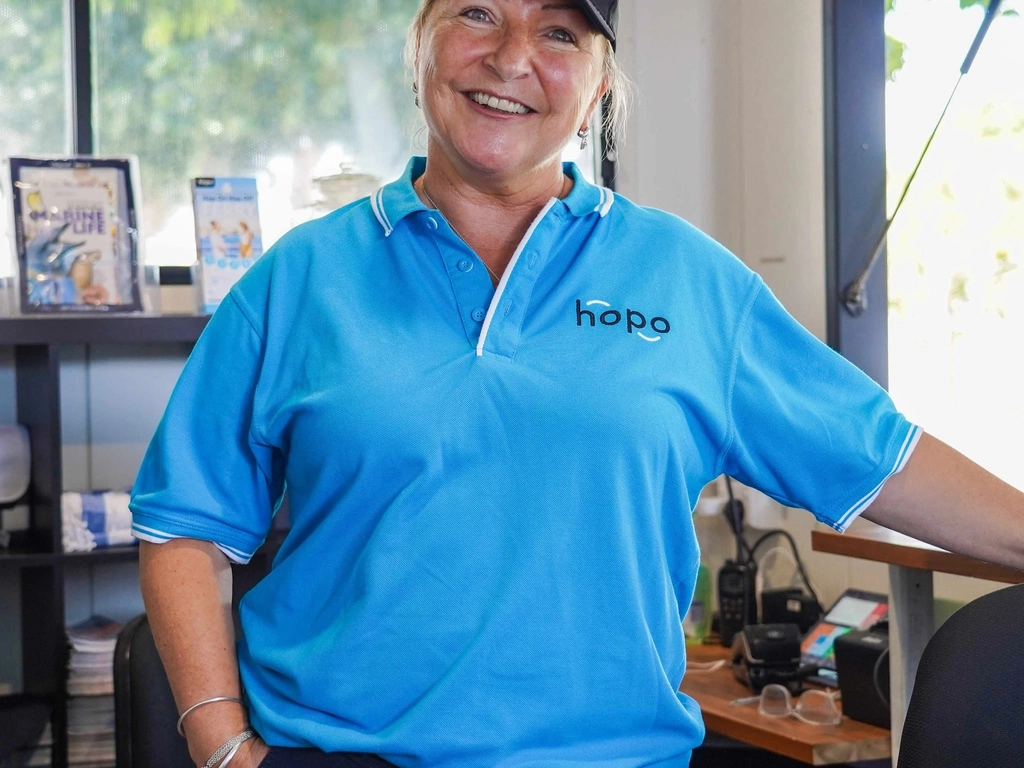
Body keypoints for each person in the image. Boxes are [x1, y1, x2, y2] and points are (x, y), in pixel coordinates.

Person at [128, 2, 1024, 767]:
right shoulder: (299, 279)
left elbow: (883, 459)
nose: (511, 56)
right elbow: (185, 525)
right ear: (420, 47)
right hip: (333, 750)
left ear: (599, 87)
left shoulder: (686, 282)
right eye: (476, 11)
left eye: (559, 31)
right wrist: (220, 744)